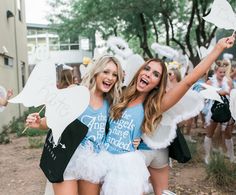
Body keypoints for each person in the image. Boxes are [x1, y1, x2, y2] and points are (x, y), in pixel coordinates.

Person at [26, 54, 124, 195]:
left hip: (93, 163)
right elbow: (54, 120)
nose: (110, 77)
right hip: (67, 158)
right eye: (106, 72)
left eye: (115, 75)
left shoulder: (112, 103)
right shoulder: (76, 92)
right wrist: (39, 123)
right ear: (96, 72)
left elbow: (119, 128)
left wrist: (135, 138)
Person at [204, 60, 234, 164]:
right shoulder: (209, 82)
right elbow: (204, 96)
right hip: (212, 111)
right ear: (216, 71)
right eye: (220, 72)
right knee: (209, 133)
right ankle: (207, 156)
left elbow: (233, 95)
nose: (222, 74)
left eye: (224, 72)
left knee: (228, 134)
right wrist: (217, 93)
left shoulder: (229, 82)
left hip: (226, 110)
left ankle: (231, 156)